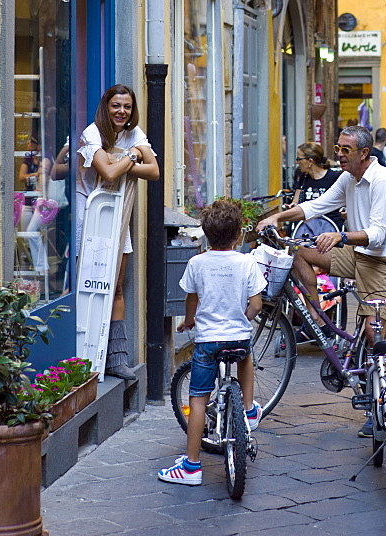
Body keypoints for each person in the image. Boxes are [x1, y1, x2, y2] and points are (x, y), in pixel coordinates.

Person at [256, 125, 386, 435]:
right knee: (300, 254)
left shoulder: (383, 182)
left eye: (344, 150)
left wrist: (340, 235)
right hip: (361, 254)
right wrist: (277, 218)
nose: (338, 154)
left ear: (364, 153)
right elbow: (316, 206)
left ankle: (380, 403)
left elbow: (377, 236)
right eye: (337, 148)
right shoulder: (349, 178)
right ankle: (319, 320)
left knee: (374, 333)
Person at [158, 199, 266, 486]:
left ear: (206, 234)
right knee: (245, 357)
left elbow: (191, 298)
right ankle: (248, 409)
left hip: (208, 340)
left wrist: (190, 320)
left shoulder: (197, 262)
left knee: (198, 399)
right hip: (238, 335)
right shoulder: (247, 262)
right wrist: (242, 318)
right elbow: (256, 304)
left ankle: (192, 467)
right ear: (239, 234)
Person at [77, 85, 159, 379]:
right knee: (88, 284)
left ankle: (116, 359)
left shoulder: (134, 134)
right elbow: (108, 173)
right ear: (106, 107)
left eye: (126, 106)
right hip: (90, 215)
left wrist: (123, 158)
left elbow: (154, 171)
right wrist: (134, 157)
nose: (121, 112)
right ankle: (84, 356)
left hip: (117, 216)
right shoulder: (92, 134)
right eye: (115, 106)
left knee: (117, 286)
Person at [292, 142, 343, 225]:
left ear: (310, 161)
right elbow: (296, 201)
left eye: (299, 159)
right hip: (307, 227)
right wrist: (293, 206)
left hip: (330, 226)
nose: (296, 162)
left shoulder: (334, 178)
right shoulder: (303, 178)